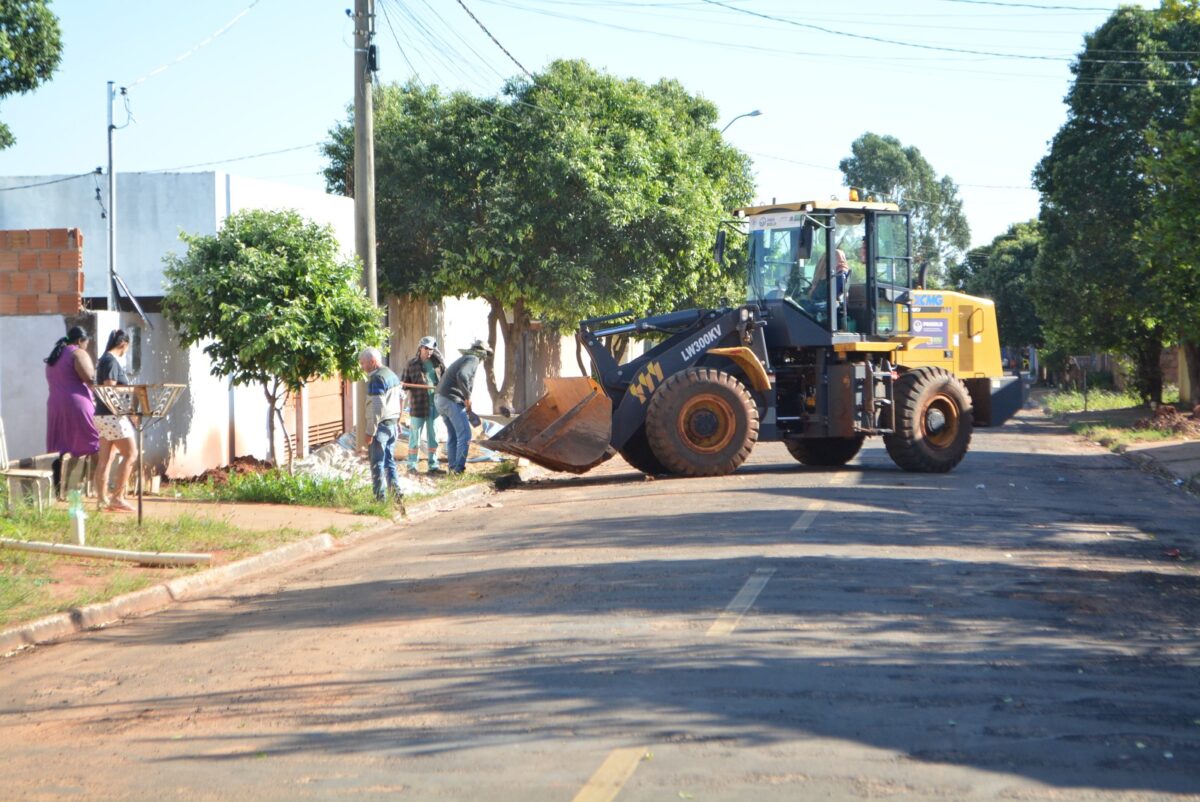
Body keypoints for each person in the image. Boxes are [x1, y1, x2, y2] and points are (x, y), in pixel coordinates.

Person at [93, 330, 138, 512]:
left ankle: (102, 500)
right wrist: (128, 408)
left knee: (106, 458)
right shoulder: (111, 361)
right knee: (131, 454)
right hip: (113, 416)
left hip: (102, 416)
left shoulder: (103, 360)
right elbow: (109, 390)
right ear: (123, 344)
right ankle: (117, 497)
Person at [44, 325, 99, 471]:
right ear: (81, 340)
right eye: (87, 342)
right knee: (94, 443)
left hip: (55, 406)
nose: (87, 346)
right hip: (77, 404)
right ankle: (98, 484)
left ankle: (60, 487)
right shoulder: (78, 353)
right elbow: (90, 379)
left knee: (62, 447)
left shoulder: (54, 356)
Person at [435, 339, 492, 476]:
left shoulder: (465, 358)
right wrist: (467, 397)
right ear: (482, 353)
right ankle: (458, 470)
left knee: (453, 435)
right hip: (450, 400)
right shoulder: (473, 359)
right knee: (465, 435)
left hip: (440, 399)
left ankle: (452, 468)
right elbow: (462, 375)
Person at [358, 346, 405, 506]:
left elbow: (377, 407)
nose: (361, 366)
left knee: (377, 462)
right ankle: (396, 494)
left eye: (363, 363)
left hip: (381, 427)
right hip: (392, 425)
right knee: (389, 461)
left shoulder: (376, 378)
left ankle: (380, 499)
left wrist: (370, 431)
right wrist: (398, 420)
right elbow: (402, 397)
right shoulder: (391, 374)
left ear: (372, 361)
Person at [401, 335, 446, 475]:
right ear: (421, 348)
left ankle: (433, 466)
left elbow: (445, 381)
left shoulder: (437, 364)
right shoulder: (411, 364)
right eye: (427, 348)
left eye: (432, 349)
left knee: (433, 437)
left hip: (434, 406)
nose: (429, 352)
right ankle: (412, 466)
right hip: (418, 406)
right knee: (415, 437)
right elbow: (404, 385)